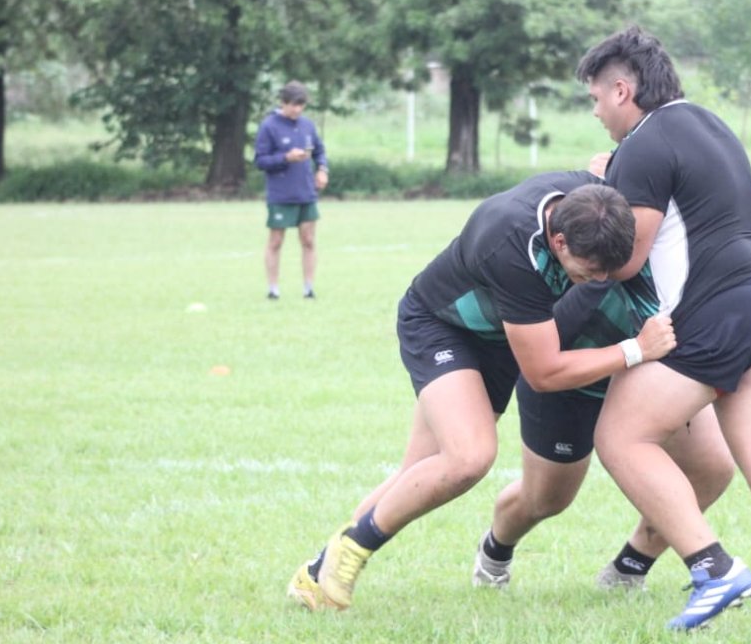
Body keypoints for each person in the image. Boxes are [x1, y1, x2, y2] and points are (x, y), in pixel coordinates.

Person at [285, 171, 677, 611]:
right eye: (591, 271)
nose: (602, 278)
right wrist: (634, 350)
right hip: (443, 326)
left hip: (500, 336)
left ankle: (318, 572)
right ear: (561, 242)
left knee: (417, 473)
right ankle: (352, 551)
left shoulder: (590, 198)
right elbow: (544, 373)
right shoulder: (512, 248)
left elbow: (619, 169)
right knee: (468, 457)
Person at [579, 27, 751, 637]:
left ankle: (714, 569)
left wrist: (602, 188)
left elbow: (625, 259)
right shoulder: (711, 124)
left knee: (622, 435)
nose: (597, 111)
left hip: (720, 307)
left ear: (623, 90)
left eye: (597, 98)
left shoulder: (644, 143)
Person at [471, 211, 751, 593]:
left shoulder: (738, 308)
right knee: (546, 499)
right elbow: (546, 358)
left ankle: (628, 570)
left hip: (647, 382)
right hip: (570, 382)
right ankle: (496, 549)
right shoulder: (644, 265)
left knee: (711, 468)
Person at [254, 81, 330, 300]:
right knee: (276, 241)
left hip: (306, 192)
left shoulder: (307, 125)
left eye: (301, 105)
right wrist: (285, 158)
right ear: (283, 102)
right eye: (293, 105)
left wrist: (322, 170)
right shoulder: (269, 126)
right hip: (280, 194)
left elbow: (320, 152)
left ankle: (308, 288)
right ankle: (273, 289)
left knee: (308, 240)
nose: (297, 110)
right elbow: (260, 160)